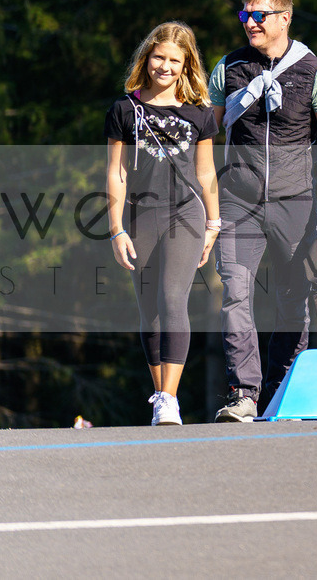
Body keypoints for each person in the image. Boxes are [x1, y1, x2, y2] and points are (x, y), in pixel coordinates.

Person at [209, 0, 317, 422]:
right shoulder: (228, 68)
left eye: (260, 15)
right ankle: (244, 393)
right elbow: (205, 135)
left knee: (294, 300)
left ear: (284, 18)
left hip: (296, 201)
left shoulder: (313, 70)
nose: (250, 23)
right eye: (245, 15)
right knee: (236, 294)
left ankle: (281, 389)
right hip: (238, 201)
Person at [105, 21, 221, 426]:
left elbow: (206, 174)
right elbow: (116, 173)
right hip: (140, 214)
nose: (165, 67)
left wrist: (214, 224)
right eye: (159, 57)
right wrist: (116, 227)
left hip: (186, 213)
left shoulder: (200, 114)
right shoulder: (125, 110)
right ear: (146, 57)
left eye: (175, 60)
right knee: (149, 310)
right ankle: (159, 395)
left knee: (173, 300)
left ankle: (171, 397)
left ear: (187, 64)